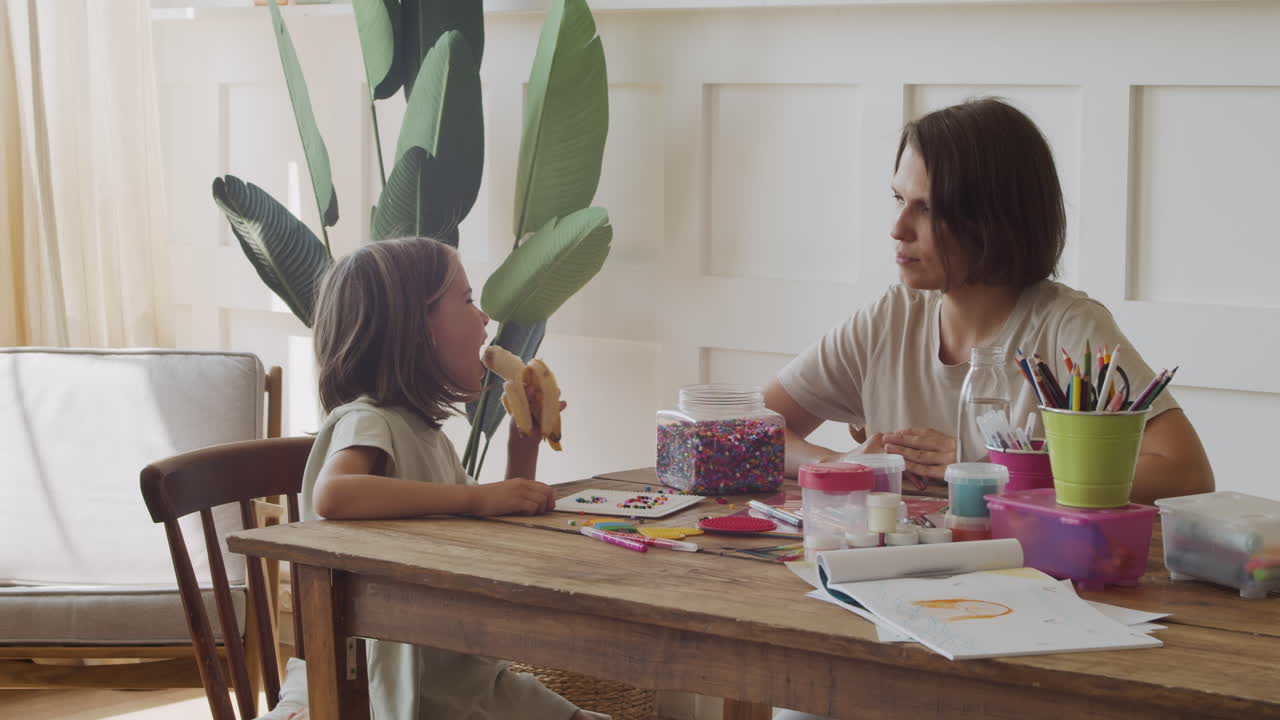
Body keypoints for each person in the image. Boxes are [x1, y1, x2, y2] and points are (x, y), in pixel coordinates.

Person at [765, 98, 1213, 505]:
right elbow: (753, 428)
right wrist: (838, 464)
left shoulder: (1069, 325)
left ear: (994, 219)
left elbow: (1187, 474)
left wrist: (992, 470)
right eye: (899, 199)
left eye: (928, 208)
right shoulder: (890, 316)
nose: (897, 228)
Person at [301, 236, 605, 720]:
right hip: (416, 692)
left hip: (469, 678)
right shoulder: (368, 420)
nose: (484, 318)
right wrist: (477, 499)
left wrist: (522, 450)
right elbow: (334, 495)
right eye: (466, 300)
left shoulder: (424, 434)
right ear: (417, 329)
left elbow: (488, 534)